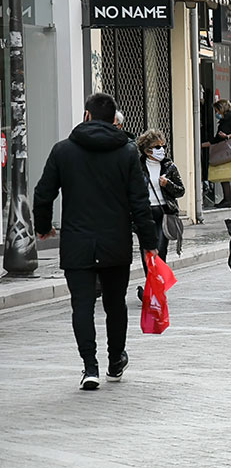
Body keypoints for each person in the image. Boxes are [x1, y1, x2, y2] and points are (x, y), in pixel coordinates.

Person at [33, 92, 158, 390]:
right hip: (115, 242)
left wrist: (43, 227)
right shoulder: (127, 152)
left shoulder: (62, 151)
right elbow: (140, 201)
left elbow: (43, 193)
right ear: (114, 119)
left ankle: (90, 367)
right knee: (116, 305)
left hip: (77, 242)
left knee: (82, 306)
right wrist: (149, 242)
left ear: (87, 115)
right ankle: (116, 360)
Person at [135, 129, 185, 299]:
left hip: (163, 212)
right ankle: (153, 288)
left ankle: (154, 289)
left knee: (160, 251)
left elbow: (180, 191)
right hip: (144, 214)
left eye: (163, 146)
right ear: (147, 149)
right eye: (157, 147)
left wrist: (168, 184)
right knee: (147, 252)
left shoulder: (169, 166)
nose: (161, 150)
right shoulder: (137, 167)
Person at [203, 99, 231, 209]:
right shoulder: (224, 120)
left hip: (226, 151)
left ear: (221, 110)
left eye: (217, 110)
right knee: (223, 176)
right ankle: (227, 199)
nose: (216, 113)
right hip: (222, 150)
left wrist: (227, 136)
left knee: (225, 175)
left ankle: (228, 199)